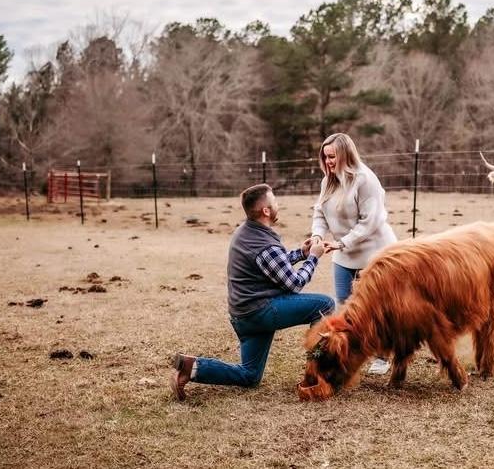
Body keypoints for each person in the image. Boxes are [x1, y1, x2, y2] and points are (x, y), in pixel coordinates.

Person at [170, 184, 334, 401]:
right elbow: (294, 284)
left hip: (243, 316)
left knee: (250, 375)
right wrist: (313, 257)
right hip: (260, 312)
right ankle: (317, 373)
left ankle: (191, 368)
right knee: (325, 304)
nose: (277, 205)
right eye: (274, 201)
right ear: (266, 210)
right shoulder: (264, 244)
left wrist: (301, 253)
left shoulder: (246, 232)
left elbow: (272, 264)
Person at [310, 133, 398, 375]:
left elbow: (370, 221)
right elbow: (319, 212)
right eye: (325, 157)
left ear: (345, 155)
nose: (328, 162)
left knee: (376, 307)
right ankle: (349, 351)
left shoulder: (365, 180)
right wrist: (317, 235)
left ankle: (382, 356)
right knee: (343, 304)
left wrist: (342, 243)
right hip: (343, 254)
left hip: (374, 253)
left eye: (332, 157)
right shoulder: (328, 181)